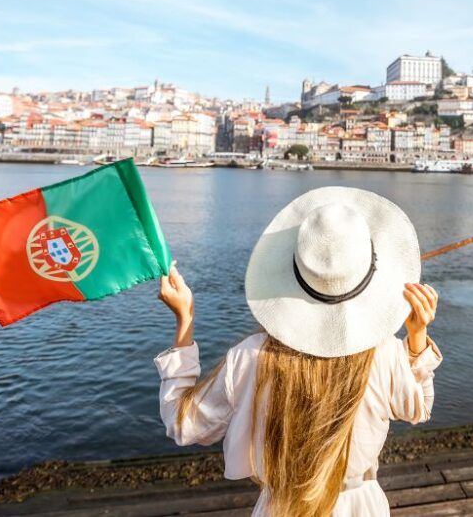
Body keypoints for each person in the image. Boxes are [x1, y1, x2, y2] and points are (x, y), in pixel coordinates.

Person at [155, 186, 442, 516]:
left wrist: (185, 320)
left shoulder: (250, 357)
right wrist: (417, 337)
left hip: (281, 507)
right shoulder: (385, 353)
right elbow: (419, 409)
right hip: (359, 506)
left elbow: (183, 425)